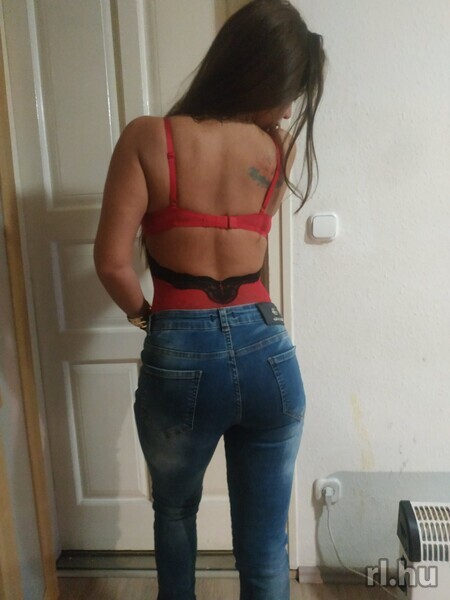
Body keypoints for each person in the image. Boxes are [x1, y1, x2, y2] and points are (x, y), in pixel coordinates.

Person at [94, 1, 326, 598]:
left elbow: (113, 263)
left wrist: (147, 318)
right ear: (258, 74)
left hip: (181, 347)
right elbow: (254, 252)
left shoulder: (149, 138)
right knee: (266, 545)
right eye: (286, 92)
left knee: (175, 515)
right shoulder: (276, 150)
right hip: (269, 353)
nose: (286, 110)